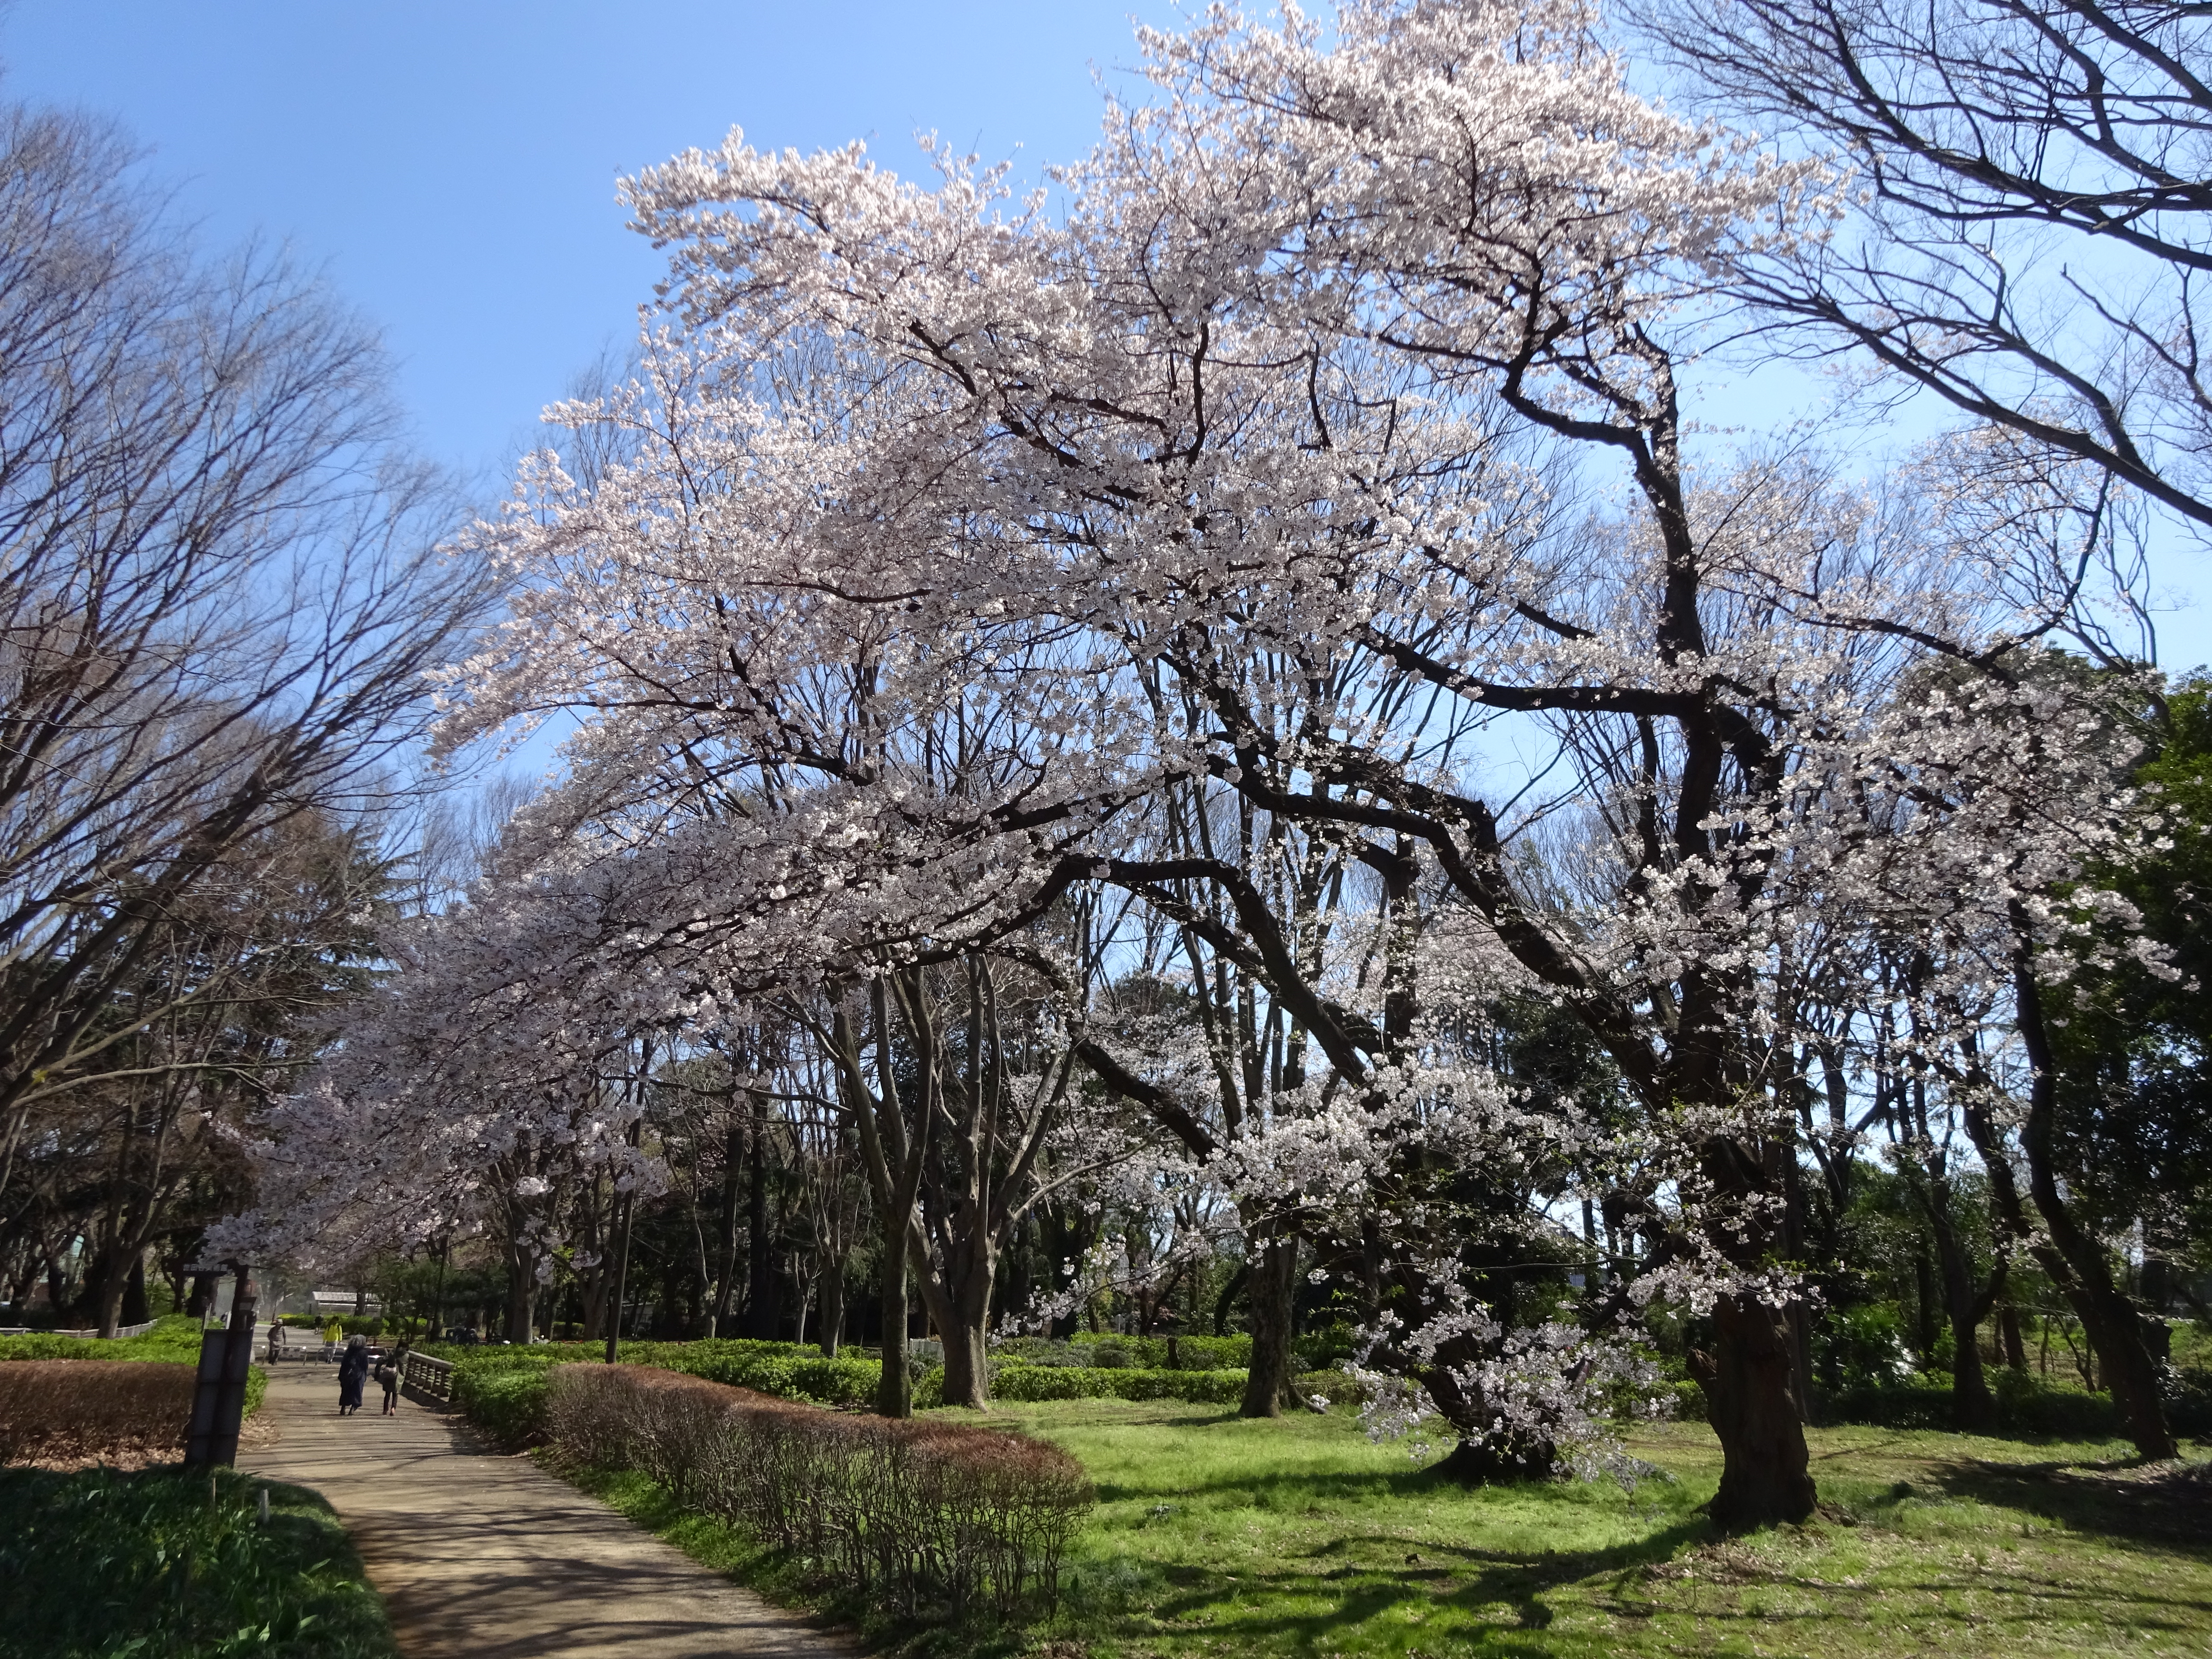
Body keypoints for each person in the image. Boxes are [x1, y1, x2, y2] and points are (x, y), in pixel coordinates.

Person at [337, 1335, 369, 1416]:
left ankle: (343, 1408)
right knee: (357, 1392)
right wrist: (365, 1376)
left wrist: (341, 1376)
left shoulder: (349, 1351)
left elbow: (344, 1363)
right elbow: (365, 1366)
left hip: (347, 1374)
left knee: (345, 1392)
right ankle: (353, 1409)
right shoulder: (363, 1353)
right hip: (359, 1375)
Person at [375, 1347, 401, 1415]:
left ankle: (385, 1409)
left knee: (387, 1394)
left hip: (387, 1375)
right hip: (396, 1375)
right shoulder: (400, 1358)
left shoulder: (389, 1357)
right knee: (395, 1393)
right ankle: (393, 1408)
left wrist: (378, 1374)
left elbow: (380, 1363)